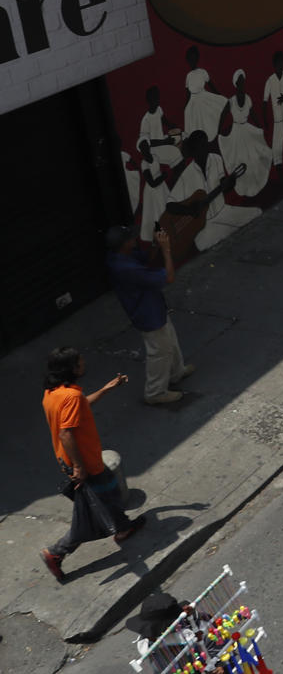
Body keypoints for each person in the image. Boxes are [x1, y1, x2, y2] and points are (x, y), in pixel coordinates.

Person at [39, 348, 145, 582]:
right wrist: (79, 467)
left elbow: (80, 407)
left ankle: (123, 528)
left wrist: (106, 389)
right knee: (95, 508)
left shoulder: (53, 393)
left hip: (72, 461)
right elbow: (66, 433)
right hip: (85, 462)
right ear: (72, 368)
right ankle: (56, 553)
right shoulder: (71, 397)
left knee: (108, 495)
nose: (84, 364)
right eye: (80, 362)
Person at [105, 226, 193, 405]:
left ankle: (176, 372)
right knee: (159, 352)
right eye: (131, 239)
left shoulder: (119, 256)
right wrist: (166, 250)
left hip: (154, 306)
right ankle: (155, 392)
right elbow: (168, 277)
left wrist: (156, 244)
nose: (134, 241)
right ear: (124, 245)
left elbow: (146, 258)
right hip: (148, 313)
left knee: (170, 339)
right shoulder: (127, 268)